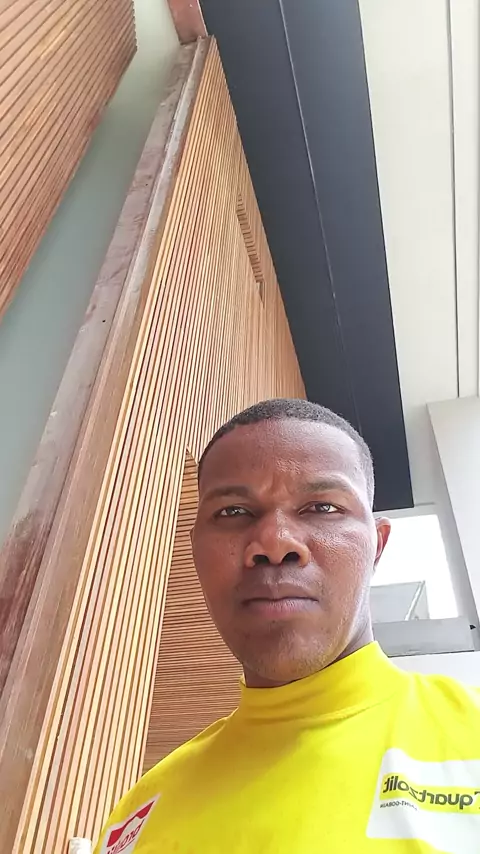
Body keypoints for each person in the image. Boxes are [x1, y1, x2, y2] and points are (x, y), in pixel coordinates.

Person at [94, 399, 480, 854]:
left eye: (322, 507)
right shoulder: (137, 817)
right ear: (195, 549)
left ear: (376, 546)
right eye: (233, 512)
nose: (275, 543)